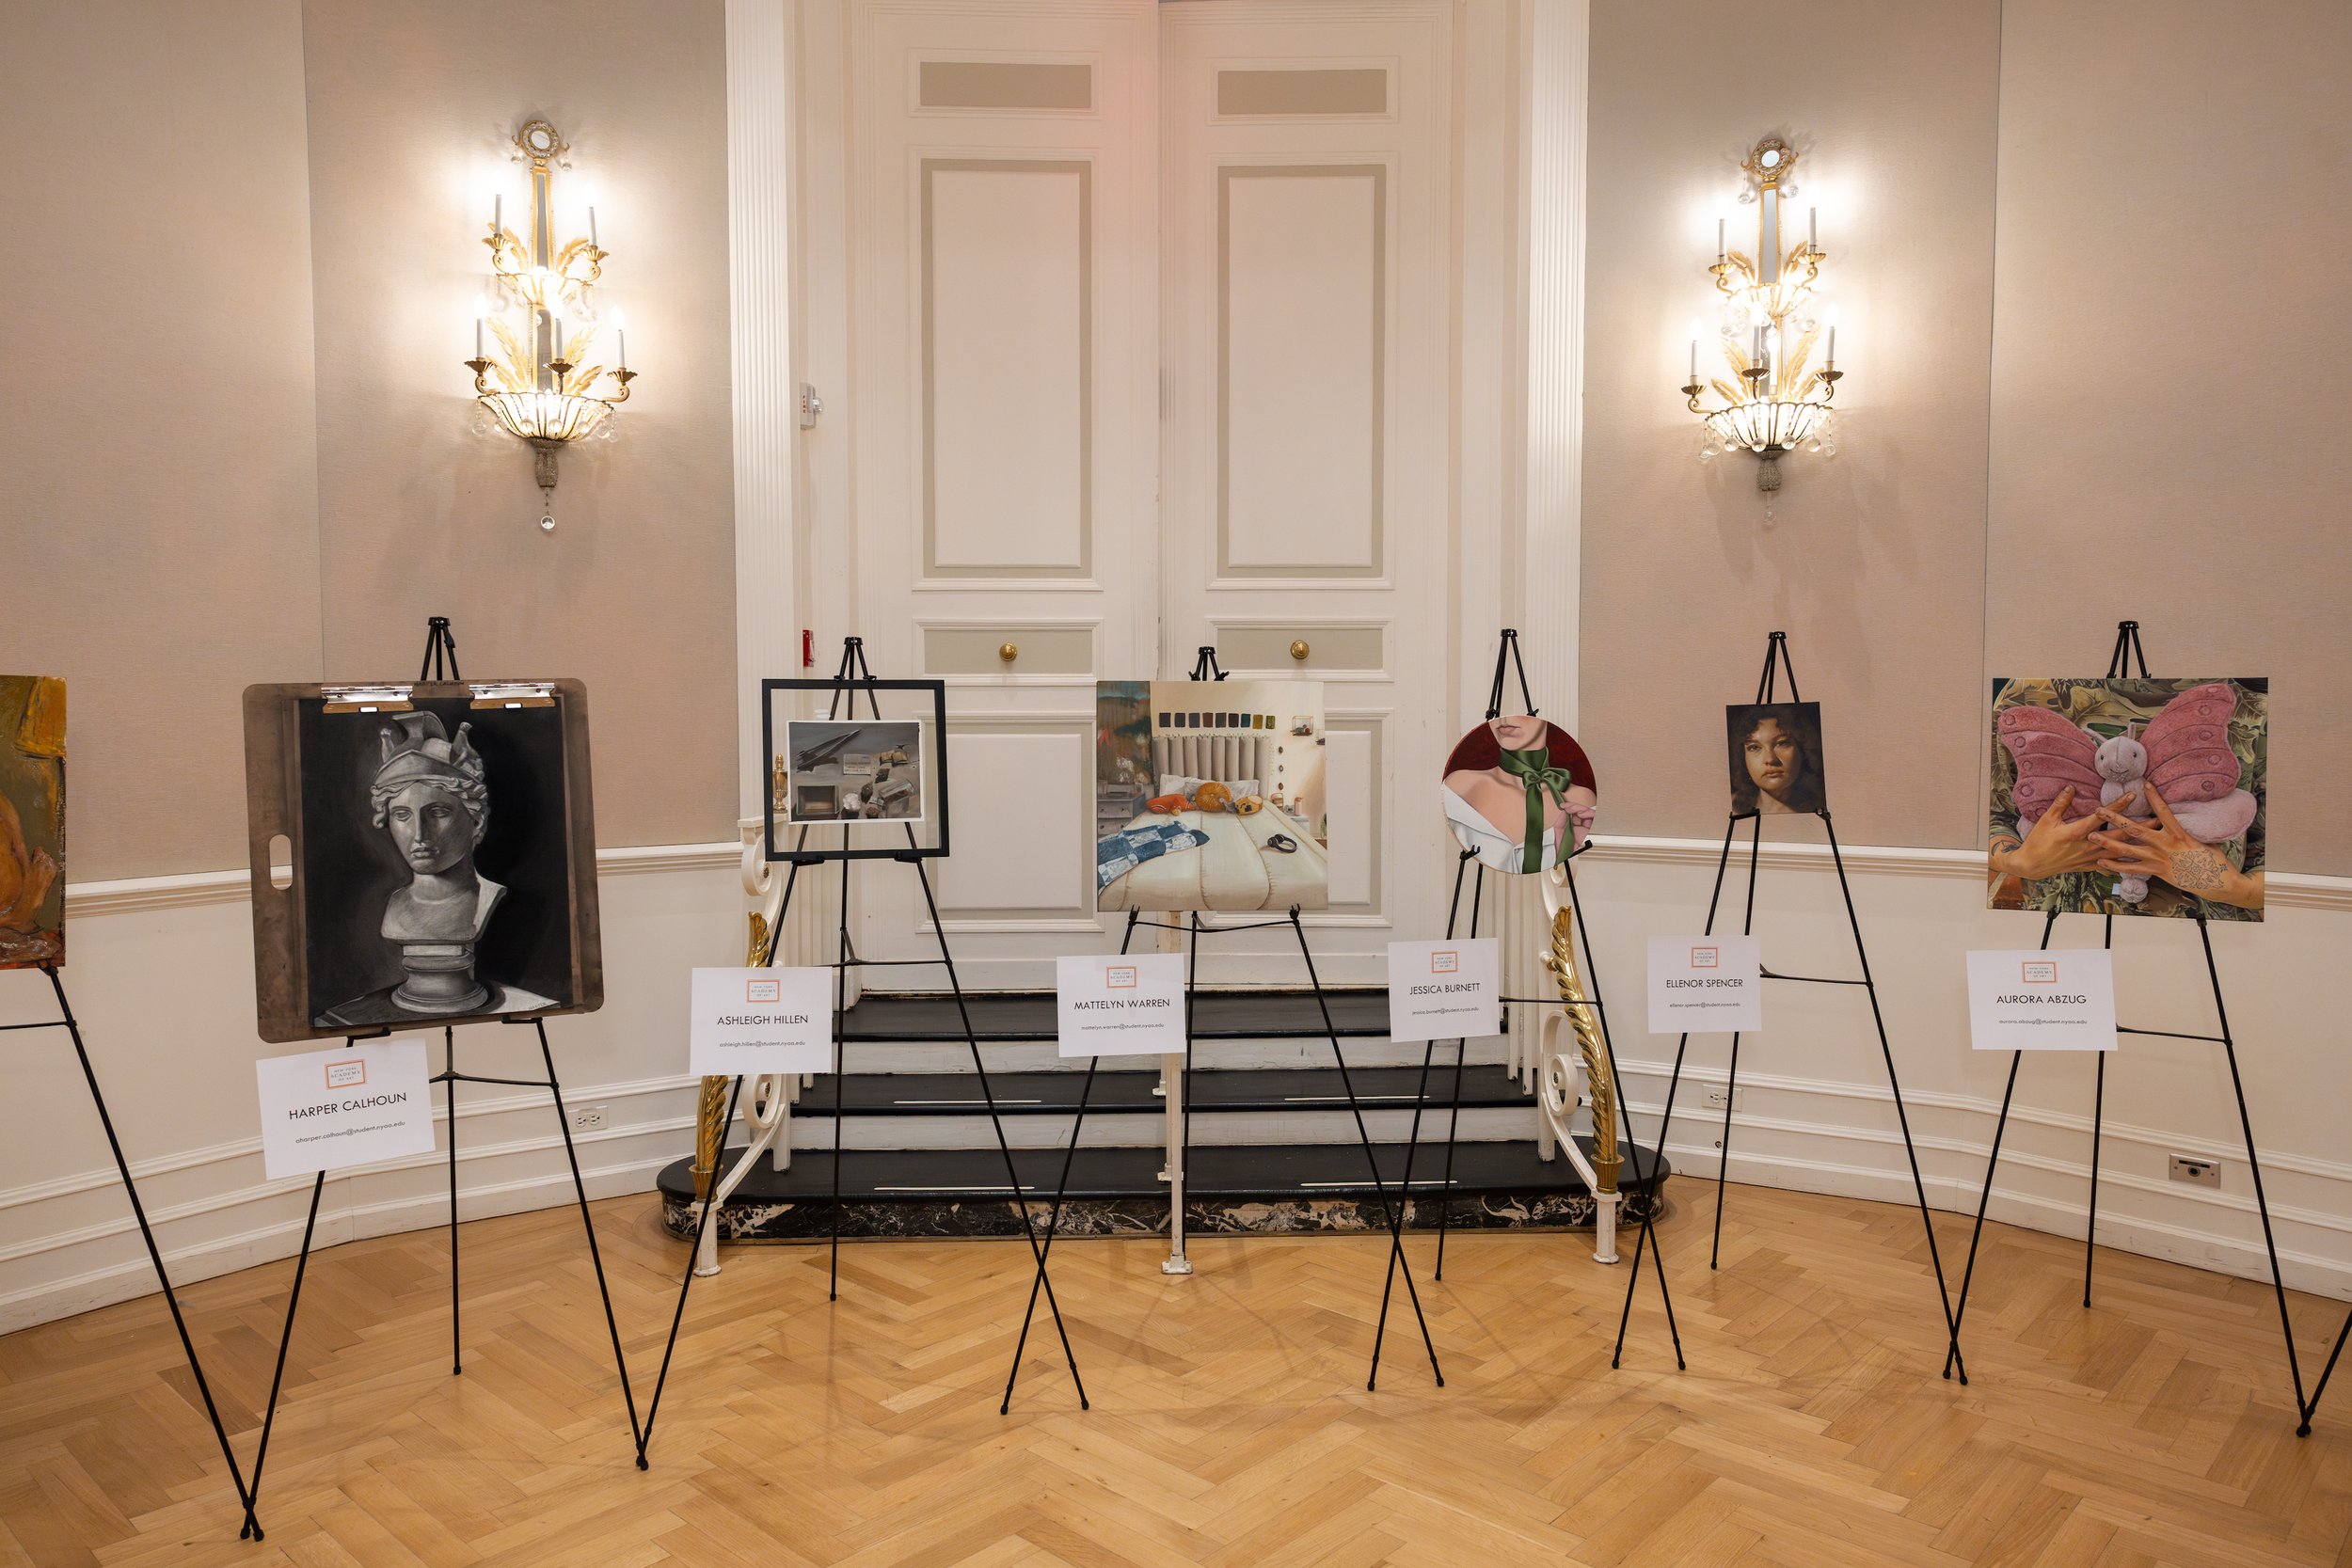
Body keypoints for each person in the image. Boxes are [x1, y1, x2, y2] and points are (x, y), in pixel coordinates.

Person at [314, 712, 553, 1026]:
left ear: (476, 821)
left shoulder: (489, 899)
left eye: (438, 812)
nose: (419, 834)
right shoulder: (396, 906)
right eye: (402, 815)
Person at [1441, 715, 1597, 875]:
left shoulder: (1582, 800)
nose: (1504, 721)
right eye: (1498, 717)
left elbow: (1563, 877)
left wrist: (1564, 849)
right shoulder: (1460, 787)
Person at [1726, 704, 1826, 816]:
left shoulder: (1819, 811)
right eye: (1754, 747)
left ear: (1802, 750)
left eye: (1781, 743)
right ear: (1743, 757)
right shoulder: (1731, 808)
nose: (1770, 759)